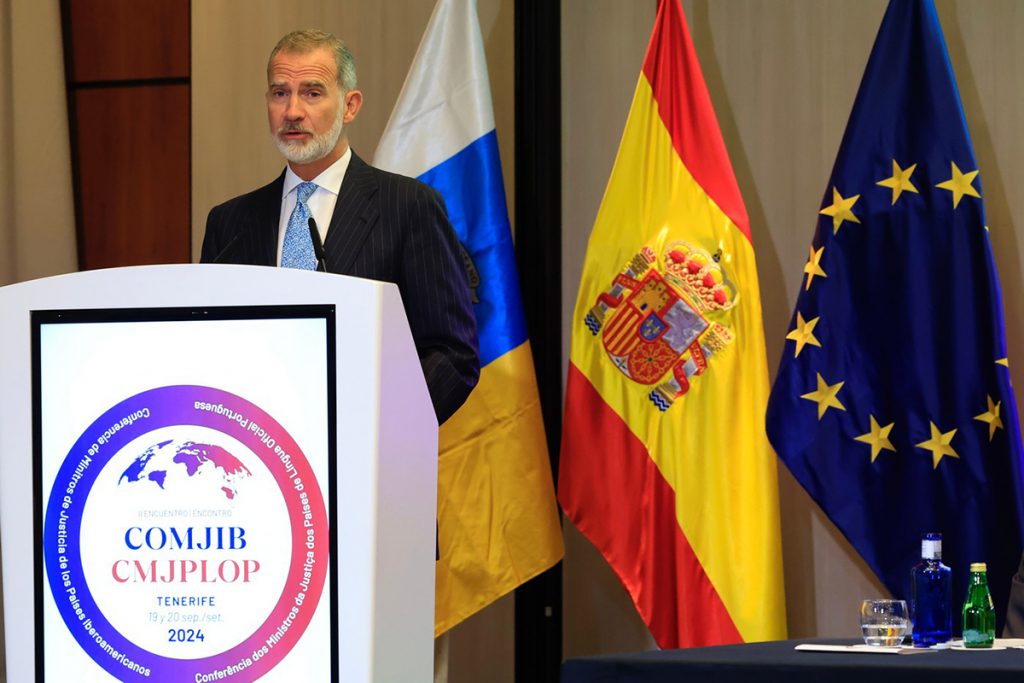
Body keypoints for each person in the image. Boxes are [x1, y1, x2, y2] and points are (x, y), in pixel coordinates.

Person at [201, 29, 479, 424]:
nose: (293, 111)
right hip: (257, 457)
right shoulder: (229, 223)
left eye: (312, 93)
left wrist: (375, 433)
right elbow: (210, 348)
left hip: (367, 460)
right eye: (280, 93)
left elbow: (454, 354)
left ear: (350, 105)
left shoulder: (409, 207)